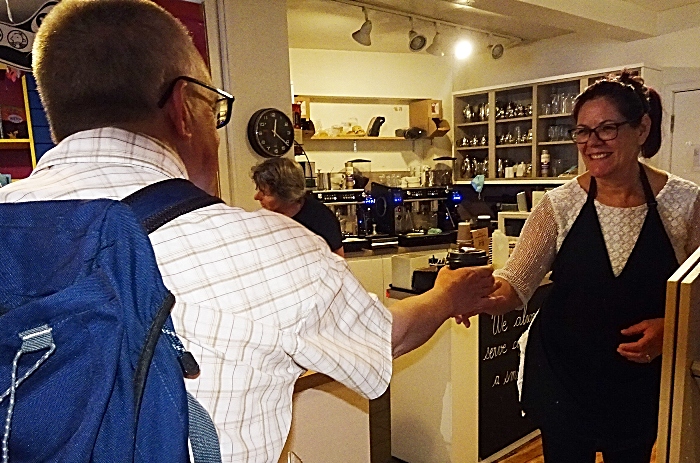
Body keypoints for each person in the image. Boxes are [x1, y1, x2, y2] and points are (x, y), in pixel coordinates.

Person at [0, 1, 503, 462]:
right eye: (214, 111)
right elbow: (384, 340)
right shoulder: (272, 248)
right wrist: (445, 296)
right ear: (184, 107)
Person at [465, 71, 700, 462]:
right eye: (582, 131)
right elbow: (516, 283)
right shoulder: (559, 205)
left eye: (607, 129)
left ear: (642, 128)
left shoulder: (686, 204)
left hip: (638, 383)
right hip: (563, 376)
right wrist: (477, 297)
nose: (592, 143)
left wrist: (670, 328)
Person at [252, 157, 345, 256]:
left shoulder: (321, 218)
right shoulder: (266, 218)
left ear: (285, 193)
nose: (256, 197)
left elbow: (338, 261)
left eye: (264, 193)